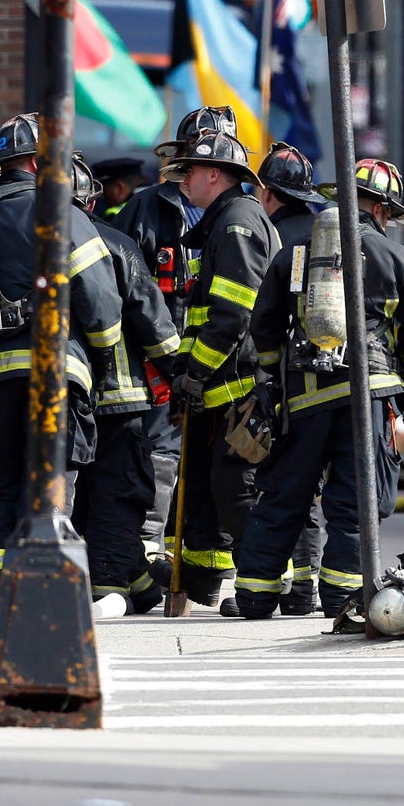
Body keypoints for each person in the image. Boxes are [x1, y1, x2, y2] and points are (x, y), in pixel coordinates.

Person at [0, 128, 124, 614]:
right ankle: (44, 585)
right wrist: (101, 358)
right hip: (55, 370)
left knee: (0, 480)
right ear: (37, 163)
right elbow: (100, 299)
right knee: (52, 477)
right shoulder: (64, 213)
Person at [223, 159, 404, 618]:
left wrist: (276, 379)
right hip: (370, 398)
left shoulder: (297, 252)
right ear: (381, 209)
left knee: (284, 495)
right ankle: (343, 599)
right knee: (357, 502)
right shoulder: (398, 258)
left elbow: (264, 323)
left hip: (304, 399)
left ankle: (255, 595)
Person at [165, 130, 282, 607]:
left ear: (215, 174)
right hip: (219, 389)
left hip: (238, 386)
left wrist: (195, 372)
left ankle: (268, 580)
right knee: (207, 491)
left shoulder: (237, 223)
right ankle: (203, 583)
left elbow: (233, 314)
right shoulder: (224, 222)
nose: (183, 180)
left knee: (237, 489)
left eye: (190, 170)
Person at [113, 107, 235, 558]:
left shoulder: (236, 215)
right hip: (157, 363)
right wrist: (167, 360)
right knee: (159, 450)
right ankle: (152, 553)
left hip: (218, 363)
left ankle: (200, 563)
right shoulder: (146, 208)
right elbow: (124, 288)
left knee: (215, 461)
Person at [69, 154, 183, 613]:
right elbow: (152, 320)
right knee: (118, 489)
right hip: (117, 394)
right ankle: (109, 580)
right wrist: (182, 374)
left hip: (54, 394)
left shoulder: (26, 245)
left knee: (78, 492)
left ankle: (138, 582)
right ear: (91, 201)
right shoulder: (115, 244)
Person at [249, 141, 331, 613]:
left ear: (268, 193)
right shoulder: (326, 235)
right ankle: (306, 587)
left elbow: (264, 321)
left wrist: (265, 377)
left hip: (291, 386)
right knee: (318, 491)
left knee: (286, 486)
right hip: (346, 388)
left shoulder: (277, 240)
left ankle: (282, 587)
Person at [89, 157, 146, 221]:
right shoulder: (151, 199)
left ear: (119, 188)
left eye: (104, 191)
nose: (104, 196)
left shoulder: (115, 216)